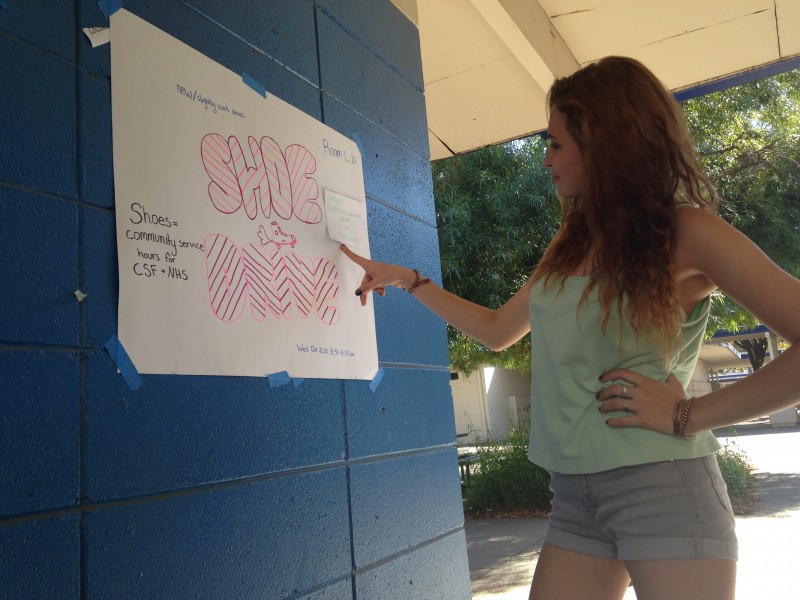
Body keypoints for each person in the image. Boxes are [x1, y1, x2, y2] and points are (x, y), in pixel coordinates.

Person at [340, 56, 800, 600]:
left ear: (605, 144)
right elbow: (496, 330)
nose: (545, 158)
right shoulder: (571, 243)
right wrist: (413, 282)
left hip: (663, 490)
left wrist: (689, 414)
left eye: (557, 143)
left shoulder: (687, 232)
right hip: (575, 500)